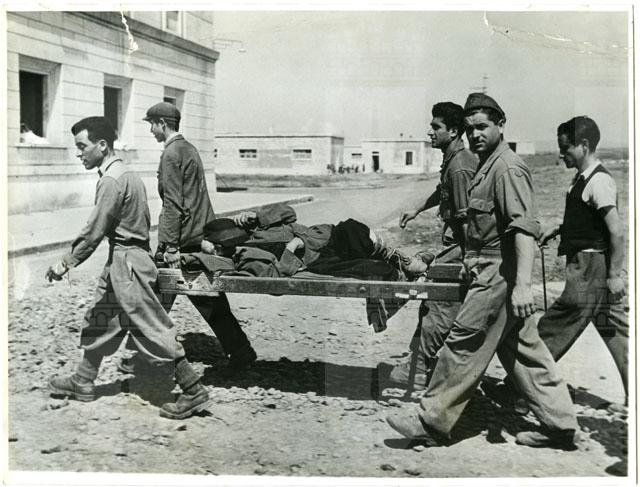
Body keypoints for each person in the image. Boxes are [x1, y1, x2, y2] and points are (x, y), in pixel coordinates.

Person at [386, 93, 579, 449]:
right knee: (524, 351)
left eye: (482, 127)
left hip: (499, 273)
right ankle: (560, 424)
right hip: (489, 268)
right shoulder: (486, 165)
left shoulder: (507, 168)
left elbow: (522, 230)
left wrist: (522, 285)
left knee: (464, 342)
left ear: (501, 125)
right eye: (470, 128)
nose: (475, 134)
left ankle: (430, 421)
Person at [46, 116, 210, 419]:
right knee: (101, 317)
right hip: (126, 261)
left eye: (82, 146)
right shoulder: (128, 173)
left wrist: (65, 263)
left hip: (129, 266)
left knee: (151, 327)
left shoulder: (111, 180)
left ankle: (193, 390)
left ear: (102, 145)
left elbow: (94, 231)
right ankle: (83, 380)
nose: (79, 153)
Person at [489, 116, 629, 413]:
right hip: (591, 266)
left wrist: (616, 274)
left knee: (553, 326)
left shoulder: (599, 181)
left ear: (584, 145)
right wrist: (559, 229)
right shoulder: (582, 180)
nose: (561, 154)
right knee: (615, 332)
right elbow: (587, 220)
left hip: (590, 268)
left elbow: (616, 231)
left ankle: (521, 391)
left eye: (566, 148)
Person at [120, 102, 255, 375]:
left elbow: (173, 203)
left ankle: (145, 357)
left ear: (162, 124)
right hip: (198, 234)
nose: (151, 131)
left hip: (182, 241)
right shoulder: (189, 149)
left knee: (159, 297)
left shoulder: (171, 154)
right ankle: (240, 350)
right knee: (202, 295)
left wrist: (170, 246)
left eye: (152, 125)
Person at [388, 101, 478, 388]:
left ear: (453, 131)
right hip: (458, 244)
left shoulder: (460, 167)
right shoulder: (454, 160)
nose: (430, 132)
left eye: (436, 127)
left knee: (438, 303)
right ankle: (422, 362)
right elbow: (443, 191)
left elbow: (466, 219)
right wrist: (417, 209)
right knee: (438, 303)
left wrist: (470, 258)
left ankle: (418, 367)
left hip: (462, 246)